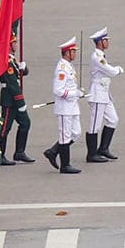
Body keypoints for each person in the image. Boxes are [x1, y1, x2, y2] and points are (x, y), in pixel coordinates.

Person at [85, 27, 123, 163]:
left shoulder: (101, 56)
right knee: (94, 125)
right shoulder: (97, 57)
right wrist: (118, 69)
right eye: (105, 40)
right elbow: (110, 71)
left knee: (113, 119)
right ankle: (91, 154)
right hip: (97, 95)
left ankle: (103, 148)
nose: (107, 42)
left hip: (104, 93)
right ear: (100, 42)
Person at [48, 37, 84, 174]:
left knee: (76, 132)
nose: (75, 54)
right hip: (64, 108)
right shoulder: (62, 69)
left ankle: (53, 151)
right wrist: (75, 93)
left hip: (72, 107)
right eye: (73, 51)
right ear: (67, 53)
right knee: (65, 136)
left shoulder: (68, 66)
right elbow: (58, 90)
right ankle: (65, 165)